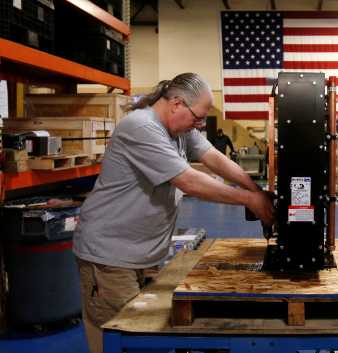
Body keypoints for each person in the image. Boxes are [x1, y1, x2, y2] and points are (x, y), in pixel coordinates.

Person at [73, 73, 275, 353]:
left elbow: (214, 158)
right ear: (177, 103)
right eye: (198, 118)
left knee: (145, 340)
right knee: (121, 338)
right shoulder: (141, 127)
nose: (200, 125)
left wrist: (257, 191)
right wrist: (249, 200)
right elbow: (188, 180)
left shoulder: (179, 129)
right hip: (109, 256)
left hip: (142, 253)